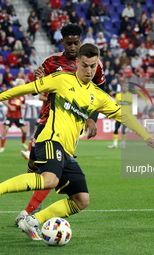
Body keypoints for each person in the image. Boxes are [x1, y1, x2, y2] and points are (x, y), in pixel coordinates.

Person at [0, 43, 154, 241]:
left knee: (81, 200)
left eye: (93, 66)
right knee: (49, 179)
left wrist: (146, 136)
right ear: (77, 62)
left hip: (67, 151)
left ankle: (33, 221)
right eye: (85, 65)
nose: (89, 70)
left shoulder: (98, 96)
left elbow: (124, 116)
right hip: (50, 140)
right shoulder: (61, 79)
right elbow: (27, 88)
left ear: (98, 65)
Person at [18, 23, 106, 222]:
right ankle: (34, 196)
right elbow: (36, 89)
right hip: (48, 117)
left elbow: (100, 92)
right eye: (69, 43)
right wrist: (37, 80)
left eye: (76, 43)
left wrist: (92, 117)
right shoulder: (51, 62)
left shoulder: (93, 64)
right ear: (63, 42)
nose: (73, 47)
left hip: (70, 122)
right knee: (34, 162)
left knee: (51, 169)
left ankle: (30, 212)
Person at [0, 78, 28, 153]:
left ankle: (23, 143)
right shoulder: (11, 92)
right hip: (10, 115)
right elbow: (3, 100)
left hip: (18, 116)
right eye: (20, 85)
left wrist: (23, 106)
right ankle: (2, 147)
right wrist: (10, 106)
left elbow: (23, 105)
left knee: (25, 131)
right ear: (17, 85)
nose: (21, 86)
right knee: (5, 130)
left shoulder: (23, 96)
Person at [108, 83, 133, 149]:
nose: (124, 88)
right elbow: (115, 105)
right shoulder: (118, 95)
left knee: (123, 130)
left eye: (126, 87)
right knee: (116, 128)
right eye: (123, 87)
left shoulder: (131, 96)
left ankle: (123, 143)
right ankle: (115, 144)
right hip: (119, 115)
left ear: (127, 88)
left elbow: (132, 106)